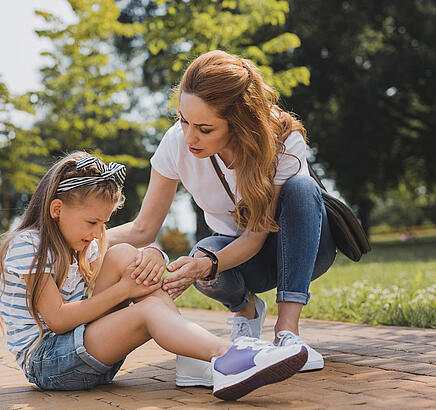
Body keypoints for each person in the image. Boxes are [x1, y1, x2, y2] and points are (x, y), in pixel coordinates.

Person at [0, 152, 308, 400]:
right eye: (92, 222)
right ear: (57, 210)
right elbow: (57, 320)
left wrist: (155, 256)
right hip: (49, 363)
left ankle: (198, 358)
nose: (99, 233)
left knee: (125, 254)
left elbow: (130, 256)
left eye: (105, 223)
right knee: (146, 307)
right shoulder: (30, 245)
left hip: (87, 353)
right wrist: (125, 289)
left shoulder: (81, 244)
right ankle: (226, 356)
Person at [107, 50, 337, 382]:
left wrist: (207, 263)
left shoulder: (283, 138)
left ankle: (288, 334)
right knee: (200, 256)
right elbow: (143, 228)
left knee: (302, 189)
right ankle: (246, 313)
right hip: (238, 257)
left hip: (301, 250)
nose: (190, 138)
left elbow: (256, 237)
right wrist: (76, 238)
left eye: (204, 128)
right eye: (183, 120)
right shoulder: (177, 143)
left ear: (240, 123)